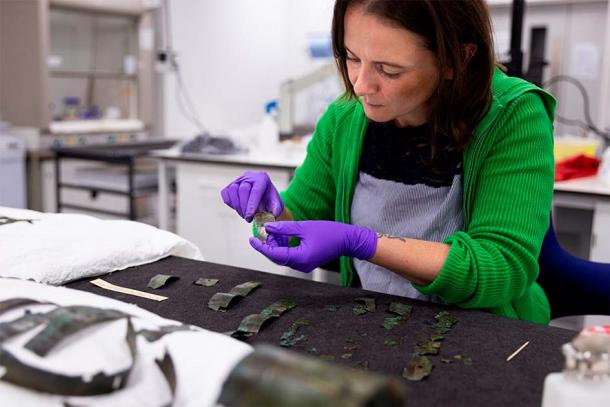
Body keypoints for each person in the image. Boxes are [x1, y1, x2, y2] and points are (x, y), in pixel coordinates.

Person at [221, 0, 556, 324]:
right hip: (375, 321)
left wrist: (362, 243)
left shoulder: (512, 116)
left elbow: (500, 266)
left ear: (457, 59)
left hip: (483, 332)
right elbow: (296, 228)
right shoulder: (344, 120)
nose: (361, 85)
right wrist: (271, 214)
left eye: (389, 70)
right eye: (352, 58)